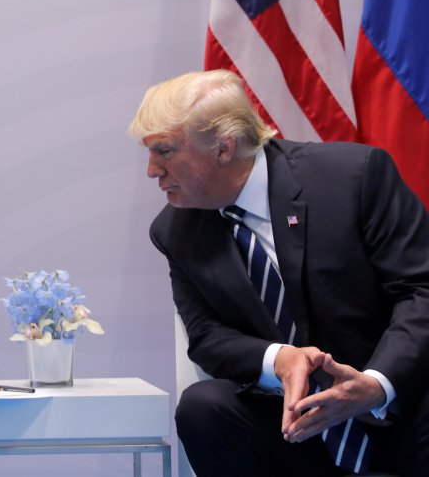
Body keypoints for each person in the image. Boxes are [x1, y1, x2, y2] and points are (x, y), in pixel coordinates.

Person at [129, 69, 429, 476]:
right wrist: (281, 360)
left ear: (224, 147)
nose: (152, 170)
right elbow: (207, 336)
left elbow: (420, 289)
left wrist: (377, 384)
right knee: (203, 407)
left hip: (399, 407)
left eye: (164, 151)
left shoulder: (352, 178)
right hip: (292, 427)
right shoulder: (176, 231)